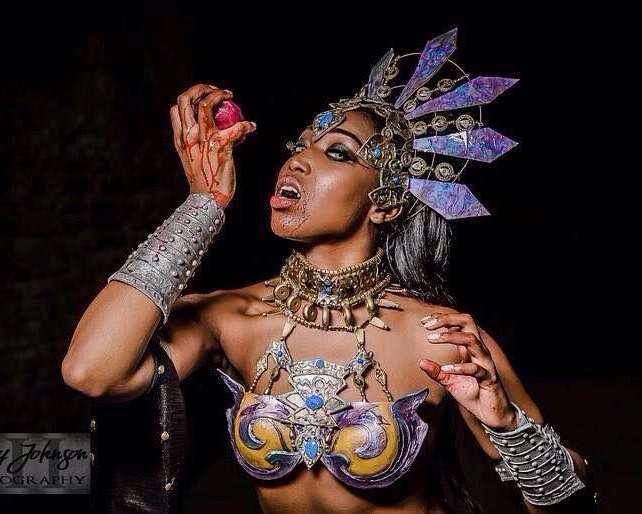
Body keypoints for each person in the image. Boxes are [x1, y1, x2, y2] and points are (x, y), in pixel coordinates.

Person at [62, 29, 597, 513]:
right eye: (301, 146)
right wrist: (203, 204)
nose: (297, 160)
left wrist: (509, 426)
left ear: (384, 203)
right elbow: (92, 371)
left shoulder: (438, 337)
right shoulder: (233, 318)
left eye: (338, 153)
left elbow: (570, 509)